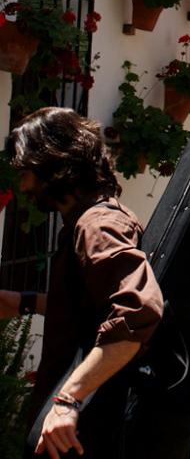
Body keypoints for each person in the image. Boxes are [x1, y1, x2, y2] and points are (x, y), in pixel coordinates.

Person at [0, 107, 164, 459]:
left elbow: (139, 310)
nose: (23, 184)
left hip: (82, 433)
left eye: (26, 173)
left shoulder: (97, 225)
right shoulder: (87, 221)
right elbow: (90, 305)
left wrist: (67, 399)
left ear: (53, 164)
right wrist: (22, 302)